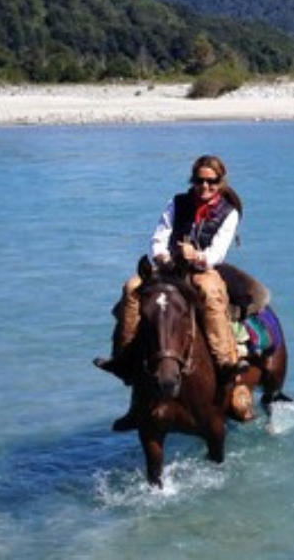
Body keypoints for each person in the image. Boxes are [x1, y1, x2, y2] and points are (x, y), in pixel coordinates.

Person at [95, 155, 248, 428]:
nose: (204, 186)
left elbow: (217, 253)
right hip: (169, 268)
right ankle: (123, 358)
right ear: (193, 179)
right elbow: (159, 237)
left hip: (202, 270)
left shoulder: (229, 213)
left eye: (211, 181)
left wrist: (196, 256)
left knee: (212, 294)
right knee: (131, 288)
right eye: (200, 180)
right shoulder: (176, 203)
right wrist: (163, 256)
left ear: (220, 183)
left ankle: (225, 363)